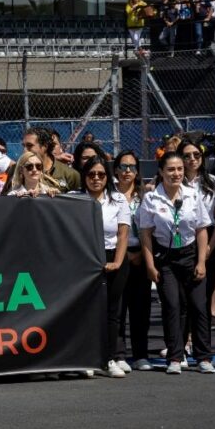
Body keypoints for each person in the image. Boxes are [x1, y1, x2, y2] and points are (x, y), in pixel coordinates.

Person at [137, 152, 215, 375]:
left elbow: (201, 229)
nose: (176, 173)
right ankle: (175, 356)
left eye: (180, 169)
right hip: (165, 259)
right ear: (161, 172)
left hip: (191, 255)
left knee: (199, 306)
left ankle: (203, 357)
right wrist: (150, 265)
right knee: (172, 306)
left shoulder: (192, 195)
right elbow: (145, 235)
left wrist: (201, 261)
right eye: (170, 169)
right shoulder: (151, 199)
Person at [77, 157, 131, 377]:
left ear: (108, 177)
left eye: (101, 174)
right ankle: (86, 358)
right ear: (84, 177)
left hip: (113, 256)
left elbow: (123, 233)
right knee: (86, 312)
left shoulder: (118, 199)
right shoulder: (75, 198)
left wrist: (117, 262)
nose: (96, 179)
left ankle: (108, 358)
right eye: (91, 174)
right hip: (85, 258)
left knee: (112, 312)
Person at [179, 140, 215, 341]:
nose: (192, 159)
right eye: (187, 155)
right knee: (182, 296)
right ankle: (183, 340)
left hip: (208, 241)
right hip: (181, 241)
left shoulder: (212, 181)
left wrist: (209, 246)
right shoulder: (173, 179)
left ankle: (200, 340)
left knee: (203, 296)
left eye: (196, 155)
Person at [113, 150, 151, 370]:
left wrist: (138, 254)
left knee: (140, 308)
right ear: (116, 169)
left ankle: (141, 354)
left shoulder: (145, 196)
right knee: (118, 308)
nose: (128, 171)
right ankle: (119, 354)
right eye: (123, 166)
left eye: (132, 167)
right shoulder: (110, 195)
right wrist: (124, 254)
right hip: (118, 255)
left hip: (141, 254)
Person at [20, 127, 79, 192]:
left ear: (45, 146)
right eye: (24, 146)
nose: (24, 150)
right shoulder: (18, 171)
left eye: (29, 145)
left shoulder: (69, 175)